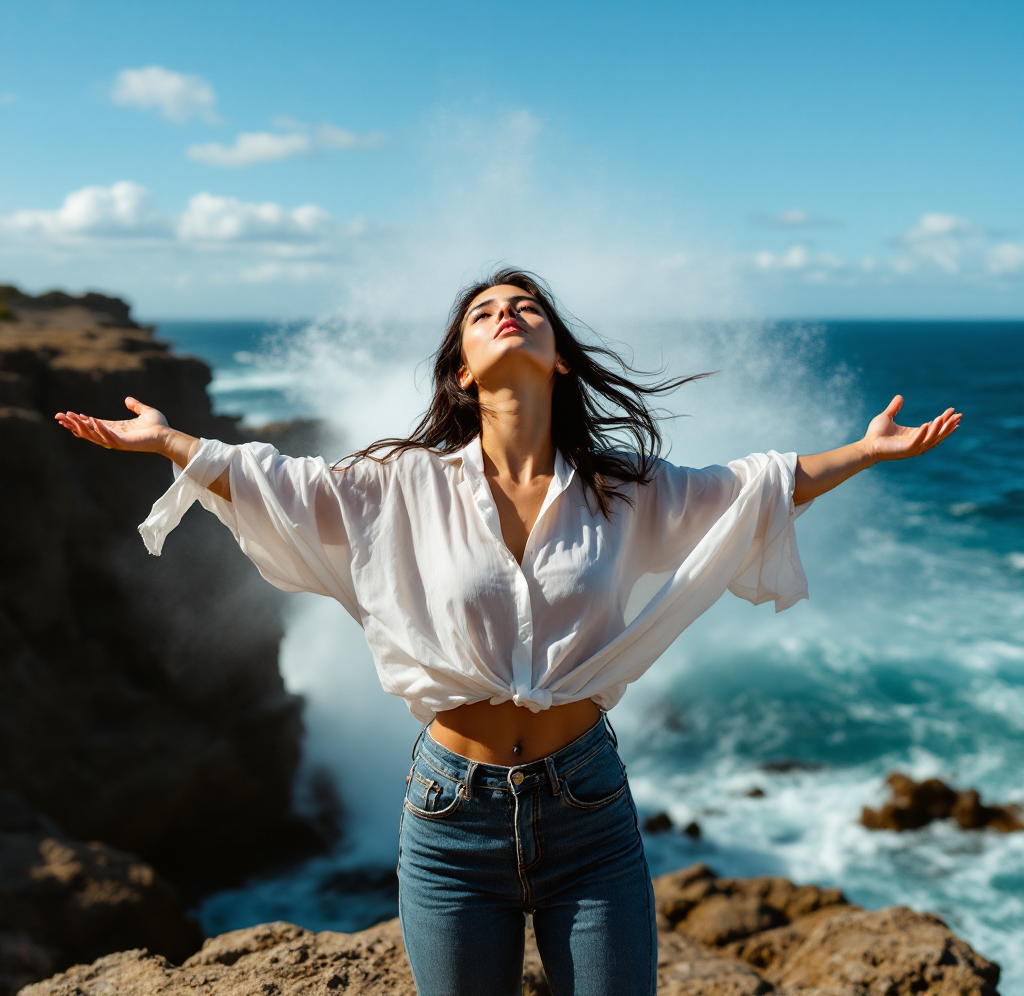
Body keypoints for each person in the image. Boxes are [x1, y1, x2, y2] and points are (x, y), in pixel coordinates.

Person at [55, 268, 960, 996]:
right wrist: (173, 444)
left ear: (559, 357)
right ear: (461, 370)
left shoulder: (624, 489)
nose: (507, 314)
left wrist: (867, 451)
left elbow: (758, 486)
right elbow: (274, 483)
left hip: (589, 811)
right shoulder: (400, 483)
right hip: (451, 817)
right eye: (484, 311)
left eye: (526, 307)